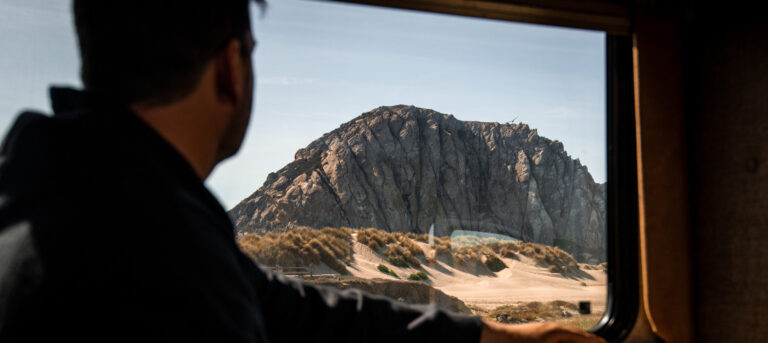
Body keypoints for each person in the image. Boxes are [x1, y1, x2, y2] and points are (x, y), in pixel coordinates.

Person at [0, 1, 606, 342]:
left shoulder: (74, 194)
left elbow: (289, 310)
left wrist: (494, 337)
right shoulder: (158, 255)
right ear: (232, 68)